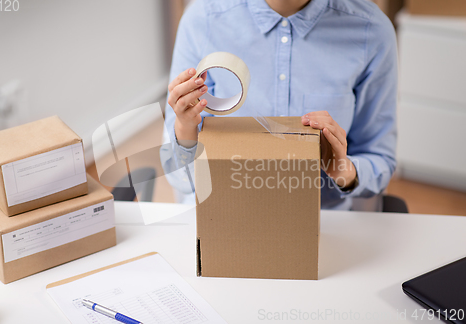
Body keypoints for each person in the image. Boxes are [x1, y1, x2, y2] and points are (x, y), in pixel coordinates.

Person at [161, 0, 397, 210]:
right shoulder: (203, 19)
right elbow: (180, 176)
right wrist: (185, 129)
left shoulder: (370, 30)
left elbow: (379, 159)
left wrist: (343, 170)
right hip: (224, 212)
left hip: (322, 221)